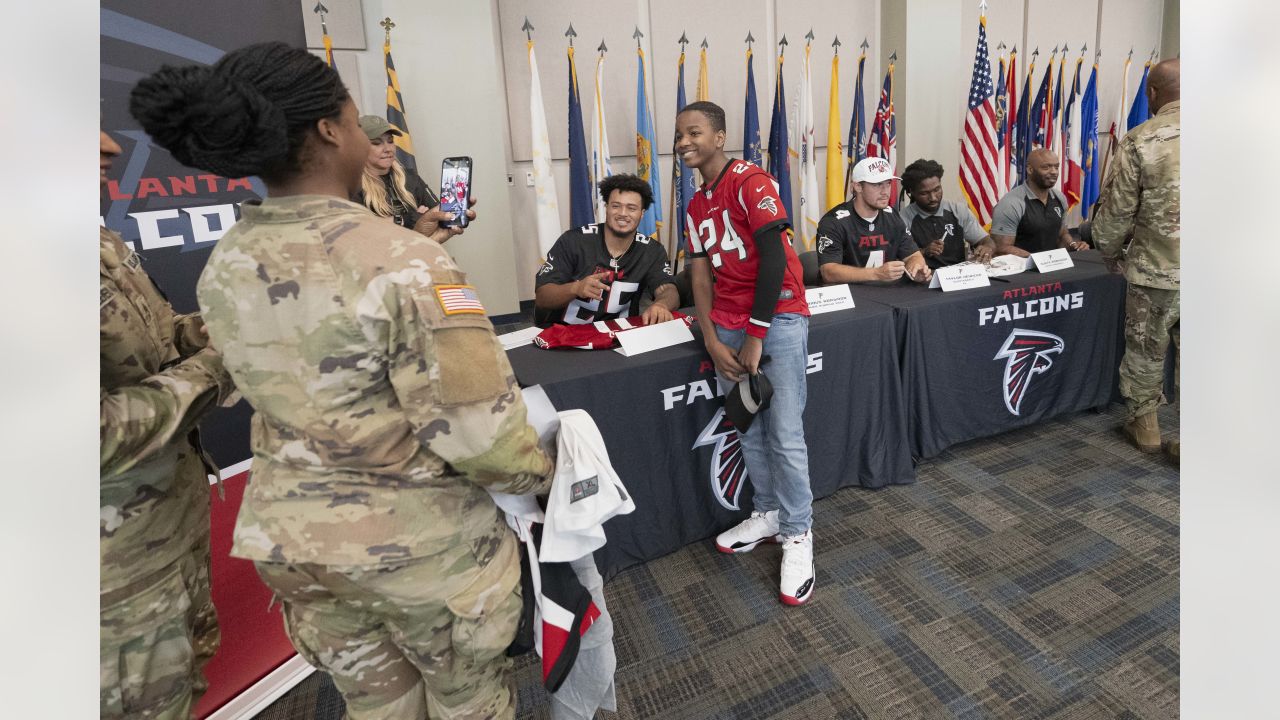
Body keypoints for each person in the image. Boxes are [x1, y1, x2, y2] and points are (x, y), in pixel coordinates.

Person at [130, 42, 553, 719]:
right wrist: (552, 474)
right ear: (329, 131)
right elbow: (483, 438)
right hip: (419, 553)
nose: (366, 136)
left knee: (377, 708)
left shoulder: (231, 258)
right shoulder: (409, 264)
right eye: (357, 121)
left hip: (299, 549)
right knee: (467, 704)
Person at [100, 129, 237, 718]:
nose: (108, 147)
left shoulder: (97, 241)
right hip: (107, 579)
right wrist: (217, 365)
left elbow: (151, 339)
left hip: (166, 528)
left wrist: (209, 328)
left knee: (183, 685)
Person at [674, 100, 816, 606]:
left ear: (719, 135)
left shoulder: (751, 181)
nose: (684, 142)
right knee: (746, 422)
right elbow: (698, 273)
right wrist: (710, 337)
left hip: (775, 317)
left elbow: (776, 256)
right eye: (679, 135)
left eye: (694, 132)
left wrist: (756, 333)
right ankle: (768, 511)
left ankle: (798, 533)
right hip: (728, 325)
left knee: (784, 432)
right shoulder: (693, 205)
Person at [1091, 58, 1181, 461]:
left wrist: (1109, 254)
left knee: (1146, 350)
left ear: (1152, 93)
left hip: (1155, 273)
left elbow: (1114, 215)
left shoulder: (1141, 140)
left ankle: (1146, 428)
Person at [534, 173, 679, 326]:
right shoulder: (573, 241)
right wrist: (576, 288)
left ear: (642, 213)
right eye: (616, 206)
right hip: (566, 335)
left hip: (618, 337)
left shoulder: (651, 250)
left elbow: (668, 290)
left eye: (631, 208)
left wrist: (662, 304)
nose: (623, 214)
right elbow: (542, 297)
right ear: (607, 208)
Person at [817, 156, 933, 284]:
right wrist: (877, 273)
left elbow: (913, 255)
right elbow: (828, 272)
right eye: (877, 185)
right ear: (858, 187)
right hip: (850, 296)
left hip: (889, 295)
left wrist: (915, 268)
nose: (885, 192)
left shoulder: (892, 216)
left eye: (888, 184)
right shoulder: (833, 222)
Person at [990, 148, 1089, 256]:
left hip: (1051, 266)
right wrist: (1038, 261)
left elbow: (1061, 234)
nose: (1054, 172)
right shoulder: (1010, 204)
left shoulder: (1060, 198)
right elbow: (1001, 248)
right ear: (1030, 170)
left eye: (1056, 167)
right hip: (1021, 270)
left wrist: (1074, 245)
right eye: (1046, 167)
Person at [899, 158, 996, 267]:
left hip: (958, 275)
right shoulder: (902, 218)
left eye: (937, 189)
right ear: (911, 192)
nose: (933, 198)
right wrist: (924, 251)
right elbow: (898, 259)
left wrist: (987, 248)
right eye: (924, 193)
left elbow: (986, 241)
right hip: (923, 277)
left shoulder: (958, 210)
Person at [355, 114, 440, 232]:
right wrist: (410, 219)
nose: (388, 149)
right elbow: (362, 230)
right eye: (376, 143)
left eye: (390, 141)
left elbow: (437, 213)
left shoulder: (409, 176)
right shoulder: (353, 186)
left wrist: (392, 222)